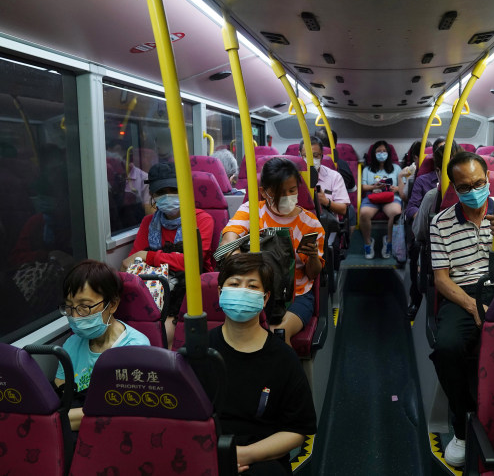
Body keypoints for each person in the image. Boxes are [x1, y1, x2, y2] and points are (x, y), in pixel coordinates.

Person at [429, 151, 494, 467]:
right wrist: (473, 307)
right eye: (465, 186)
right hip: (463, 292)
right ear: (454, 189)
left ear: (489, 180)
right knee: (447, 347)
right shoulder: (440, 222)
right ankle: (464, 422)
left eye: (479, 183)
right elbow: (441, 280)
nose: (473, 191)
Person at [198, 253, 316, 475]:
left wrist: (245, 454)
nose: (242, 291)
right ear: (220, 293)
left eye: (252, 286)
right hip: (204, 451)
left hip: (260, 457)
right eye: (234, 284)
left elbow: (297, 429)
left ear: (264, 298)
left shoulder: (283, 359)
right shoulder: (200, 351)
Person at [220, 157, 325, 346]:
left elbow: (312, 274)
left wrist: (311, 256)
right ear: (264, 192)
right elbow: (228, 240)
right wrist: (244, 268)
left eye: (292, 191)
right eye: (278, 193)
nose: (287, 197)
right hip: (255, 289)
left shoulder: (311, 223)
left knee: (278, 334)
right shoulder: (252, 211)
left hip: (297, 294)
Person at [121, 162, 215, 344]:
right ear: (153, 196)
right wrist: (169, 259)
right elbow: (130, 263)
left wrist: (148, 256)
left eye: (174, 190)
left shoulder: (202, 220)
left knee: (162, 335)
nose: (168, 196)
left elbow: (191, 263)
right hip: (153, 286)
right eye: (161, 192)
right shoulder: (148, 222)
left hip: (186, 287)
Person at [55, 260, 150, 431]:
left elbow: (118, 410)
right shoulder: (71, 344)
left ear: (112, 304)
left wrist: (54, 419)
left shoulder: (136, 348)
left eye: (84, 306)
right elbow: (61, 389)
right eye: (69, 307)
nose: (75, 316)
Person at [360, 140, 404, 259]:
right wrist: (374, 187)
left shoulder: (396, 168)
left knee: (396, 213)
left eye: (384, 151)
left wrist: (395, 188)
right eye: (379, 151)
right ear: (374, 154)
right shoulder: (367, 169)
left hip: (391, 197)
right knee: (364, 213)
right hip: (373, 197)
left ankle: (389, 241)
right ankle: (368, 243)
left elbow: (403, 186)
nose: (381, 153)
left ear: (389, 153)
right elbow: (363, 187)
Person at [299, 135, 350, 217]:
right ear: (300, 155)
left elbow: (343, 209)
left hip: (326, 224)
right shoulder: (294, 176)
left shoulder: (334, 176)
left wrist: (325, 201)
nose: (311, 160)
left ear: (321, 155)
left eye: (315, 156)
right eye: (307, 156)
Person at [405, 137, 447, 221]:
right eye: (441, 152)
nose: (445, 156)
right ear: (434, 156)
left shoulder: (460, 180)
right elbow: (411, 208)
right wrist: (424, 220)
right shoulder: (422, 180)